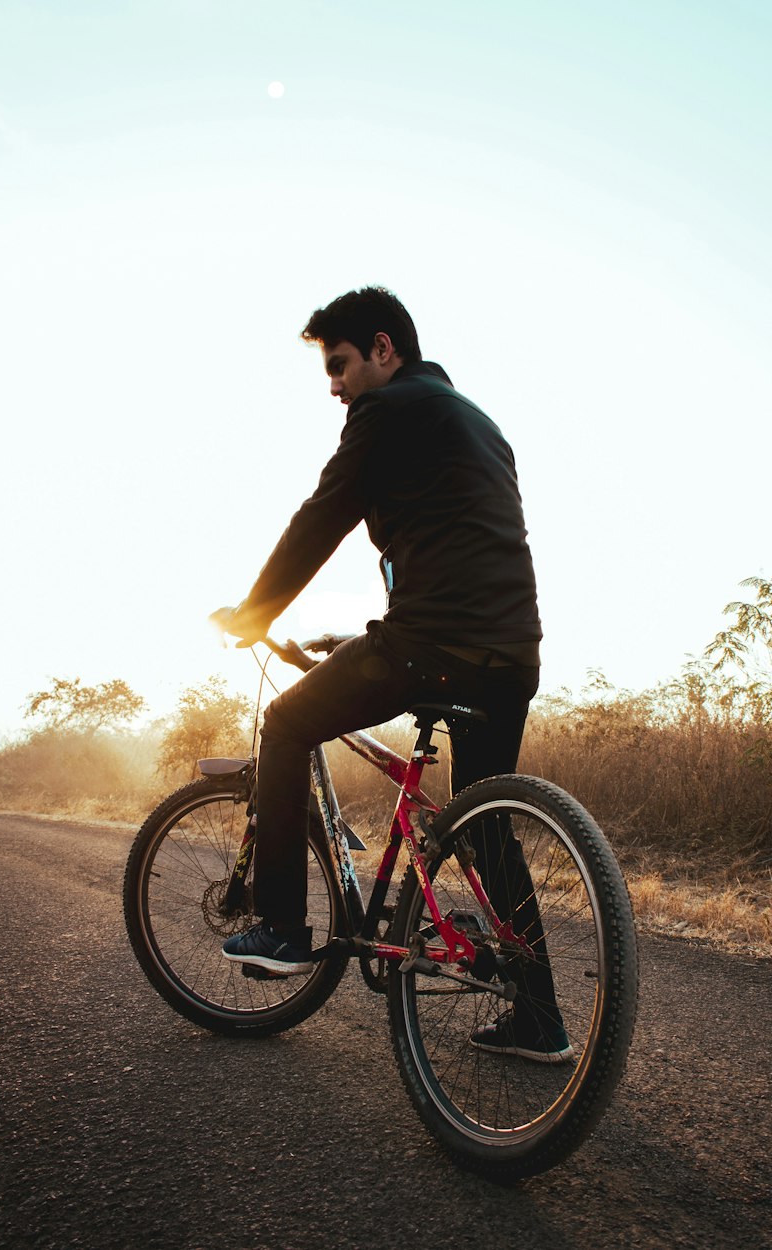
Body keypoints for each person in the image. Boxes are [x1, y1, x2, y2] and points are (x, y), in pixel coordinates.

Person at [218, 286, 571, 1062]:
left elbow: (324, 513)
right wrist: (366, 631)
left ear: (385, 349)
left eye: (340, 365)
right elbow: (452, 542)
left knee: (286, 725)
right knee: (487, 827)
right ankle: (539, 1018)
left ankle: (279, 928)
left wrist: (255, 610)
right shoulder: (478, 422)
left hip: (431, 642)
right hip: (512, 654)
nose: (335, 385)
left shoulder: (386, 412)